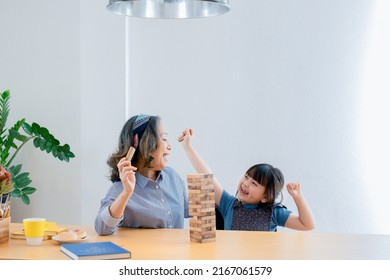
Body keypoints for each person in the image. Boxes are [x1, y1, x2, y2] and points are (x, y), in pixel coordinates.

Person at [179, 128, 315, 232]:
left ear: (266, 197)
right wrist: (188, 147)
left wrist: (298, 198)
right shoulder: (229, 204)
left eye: (254, 183)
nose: (245, 183)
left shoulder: (273, 213)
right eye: (246, 177)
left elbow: (307, 225)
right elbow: (207, 175)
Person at [95, 114, 189, 235]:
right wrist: (126, 193)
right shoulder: (121, 188)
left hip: (177, 253)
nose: (169, 146)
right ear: (147, 144)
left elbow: (191, 210)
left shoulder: (173, 177)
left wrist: (189, 147)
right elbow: (102, 228)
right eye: (164, 139)